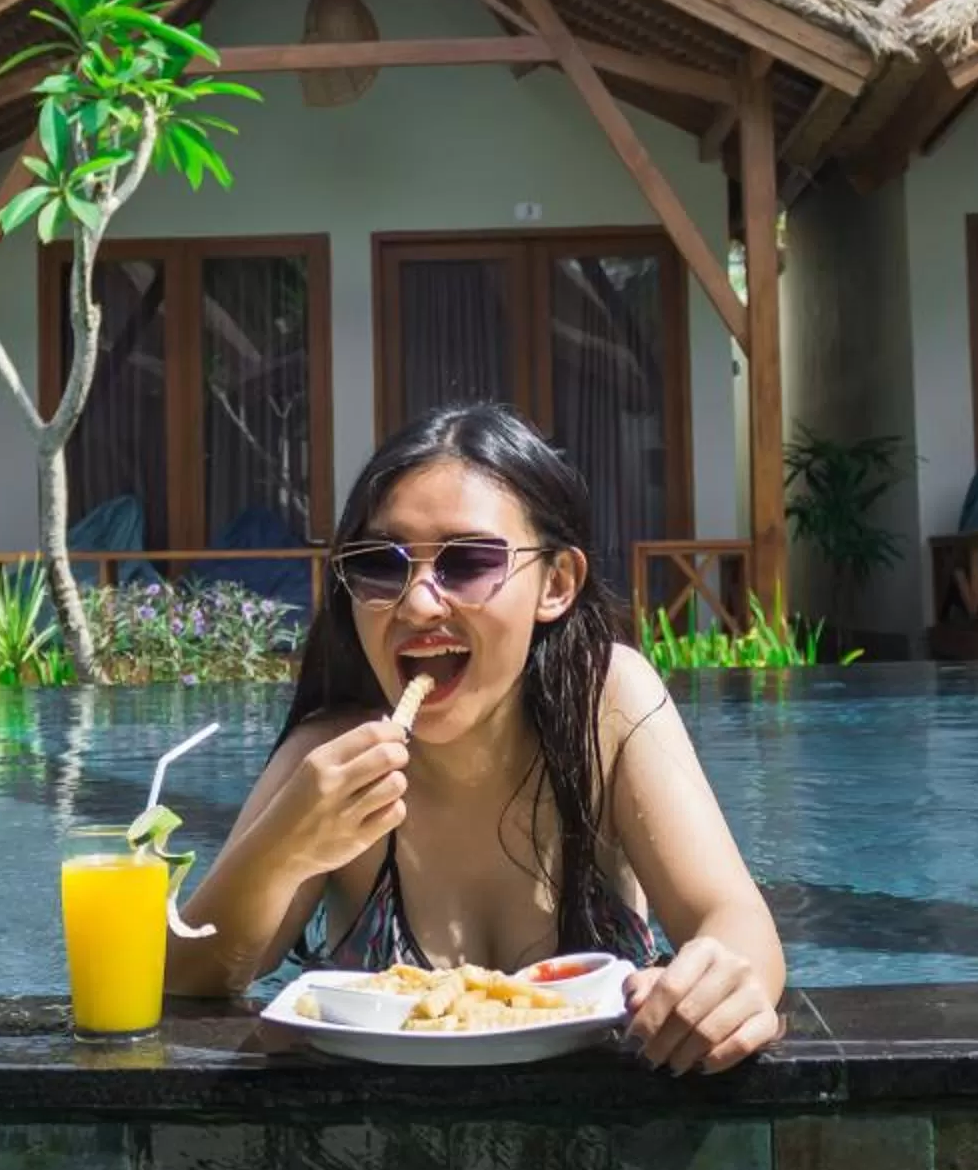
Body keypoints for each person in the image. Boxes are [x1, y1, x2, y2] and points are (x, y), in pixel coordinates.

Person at [167, 402, 785, 1074]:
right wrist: (283, 847)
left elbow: (733, 918)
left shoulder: (606, 707)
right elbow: (189, 982)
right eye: (381, 564)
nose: (417, 602)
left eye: (467, 562)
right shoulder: (330, 764)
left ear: (556, 584)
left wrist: (726, 986)